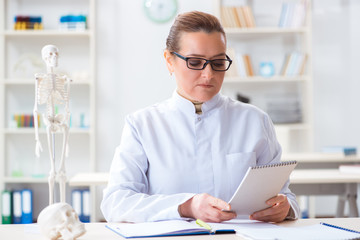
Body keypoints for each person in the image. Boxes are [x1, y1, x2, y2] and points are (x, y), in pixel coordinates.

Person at [101, 11, 300, 223]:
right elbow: (116, 202)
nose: (208, 75)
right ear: (169, 61)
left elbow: (285, 197)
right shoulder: (142, 125)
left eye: (218, 62)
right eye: (195, 62)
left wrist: (285, 209)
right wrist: (186, 207)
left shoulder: (255, 121)